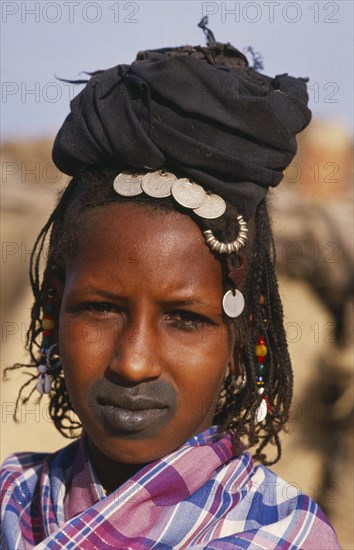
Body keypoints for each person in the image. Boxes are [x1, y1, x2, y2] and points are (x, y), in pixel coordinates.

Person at [0, 30, 341, 549]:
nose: (133, 363)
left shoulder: (281, 537)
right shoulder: (12, 500)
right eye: (100, 309)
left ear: (242, 336)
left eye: (185, 318)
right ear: (51, 310)